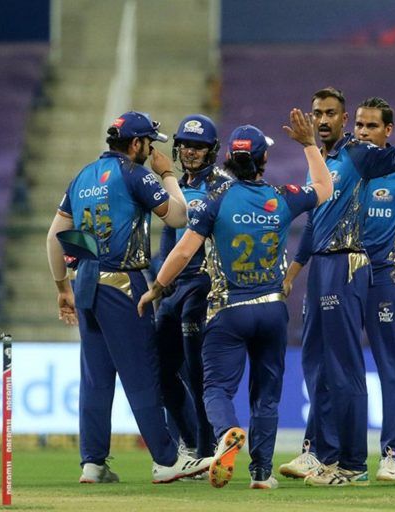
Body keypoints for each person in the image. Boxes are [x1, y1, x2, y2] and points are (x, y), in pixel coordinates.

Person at [137, 109, 333, 490]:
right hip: (272, 309)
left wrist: (157, 287)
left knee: (215, 388)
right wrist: (309, 145)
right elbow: (324, 188)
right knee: (266, 395)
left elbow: (182, 252)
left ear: (226, 157)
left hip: (228, 311)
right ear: (263, 159)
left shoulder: (215, 200)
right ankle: (261, 473)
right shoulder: (283, 197)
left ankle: (226, 432)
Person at [46, 111, 214, 483]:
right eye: (149, 143)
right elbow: (179, 218)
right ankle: (166, 460)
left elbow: (54, 236)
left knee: (96, 378)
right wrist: (167, 175)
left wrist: (62, 288)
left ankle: (93, 463)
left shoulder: (83, 176)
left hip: (85, 282)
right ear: (136, 143)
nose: (151, 150)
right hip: (124, 283)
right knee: (142, 373)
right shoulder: (135, 174)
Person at [279, 81, 395, 487]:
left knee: (344, 367)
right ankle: (321, 452)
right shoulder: (322, 161)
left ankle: (352, 463)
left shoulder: (357, 154)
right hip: (320, 265)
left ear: (344, 120)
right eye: (317, 113)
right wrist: (294, 272)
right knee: (316, 362)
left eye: (330, 113)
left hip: (346, 263)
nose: (322, 120)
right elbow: (314, 221)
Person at [153, 114, 231, 460]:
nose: (190, 152)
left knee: (199, 375)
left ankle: (206, 448)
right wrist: (161, 279)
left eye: (198, 147)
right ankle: (189, 442)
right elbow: (167, 236)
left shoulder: (224, 186)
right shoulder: (174, 186)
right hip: (173, 289)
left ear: (211, 150)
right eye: (185, 145)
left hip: (203, 286)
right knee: (161, 370)